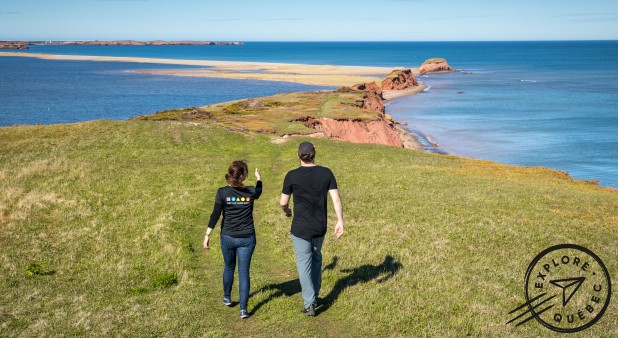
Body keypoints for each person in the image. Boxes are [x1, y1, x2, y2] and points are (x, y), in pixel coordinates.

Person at [280, 141, 344, 316]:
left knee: (304, 264)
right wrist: (340, 221)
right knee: (316, 259)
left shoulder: (291, 175)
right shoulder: (326, 173)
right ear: (314, 154)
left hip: (300, 228)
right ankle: (314, 296)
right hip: (319, 227)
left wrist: (287, 211)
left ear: (298, 155)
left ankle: (310, 303)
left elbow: (283, 202)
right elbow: (336, 199)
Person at [204, 160, 262, 319]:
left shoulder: (222, 192)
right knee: (244, 273)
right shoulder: (250, 191)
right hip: (247, 238)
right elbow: (259, 191)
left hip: (227, 238)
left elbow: (215, 215)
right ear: (242, 176)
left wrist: (207, 234)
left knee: (229, 267)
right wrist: (259, 178)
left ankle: (227, 297)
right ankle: (243, 310)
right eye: (247, 173)